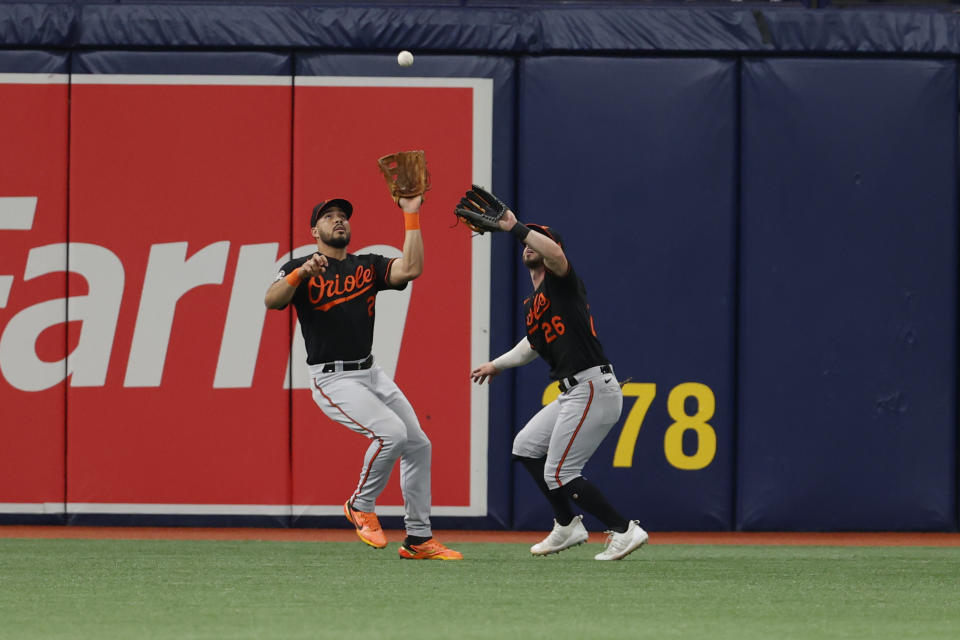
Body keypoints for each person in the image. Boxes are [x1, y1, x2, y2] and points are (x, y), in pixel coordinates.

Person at [265, 195, 461, 561]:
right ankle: (360, 503)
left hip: (370, 371)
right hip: (332, 378)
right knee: (392, 433)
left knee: (418, 445)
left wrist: (411, 213)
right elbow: (272, 300)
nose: (338, 220)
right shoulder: (300, 266)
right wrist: (299, 274)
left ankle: (418, 538)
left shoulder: (366, 265)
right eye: (329, 217)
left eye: (343, 216)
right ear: (314, 231)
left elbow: (411, 268)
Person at [470, 205, 648, 561]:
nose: (529, 245)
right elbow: (532, 346)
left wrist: (514, 226)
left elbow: (555, 252)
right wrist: (497, 364)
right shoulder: (532, 303)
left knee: (561, 472)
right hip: (574, 392)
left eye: (539, 239)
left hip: (592, 386)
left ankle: (624, 529)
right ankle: (567, 525)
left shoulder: (561, 280)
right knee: (525, 446)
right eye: (527, 241)